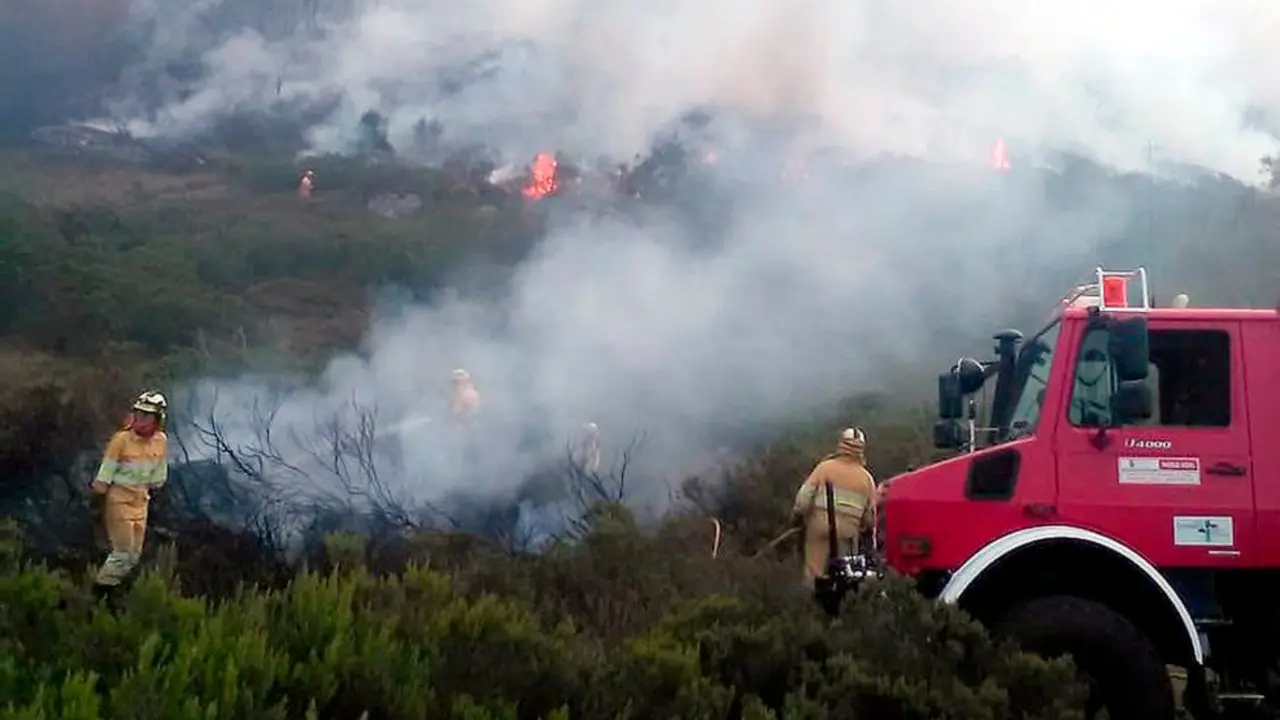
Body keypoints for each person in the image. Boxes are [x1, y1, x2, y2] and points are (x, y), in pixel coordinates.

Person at [90, 391, 169, 597]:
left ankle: (112, 589)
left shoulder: (160, 440)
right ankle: (99, 594)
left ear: (157, 419)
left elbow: (158, 478)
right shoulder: (121, 440)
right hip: (119, 502)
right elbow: (103, 477)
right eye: (138, 413)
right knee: (122, 553)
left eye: (146, 415)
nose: (140, 419)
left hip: (141, 502)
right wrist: (98, 501)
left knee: (134, 556)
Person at [792, 427, 877, 585]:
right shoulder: (867, 479)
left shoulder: (824, 468)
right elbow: (869, 521)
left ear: (841, 445)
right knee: (843, 577)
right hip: (848, 535)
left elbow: (803, 501)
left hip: (818, 529)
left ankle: (811, 603)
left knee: (814, 574)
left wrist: (797, 518)